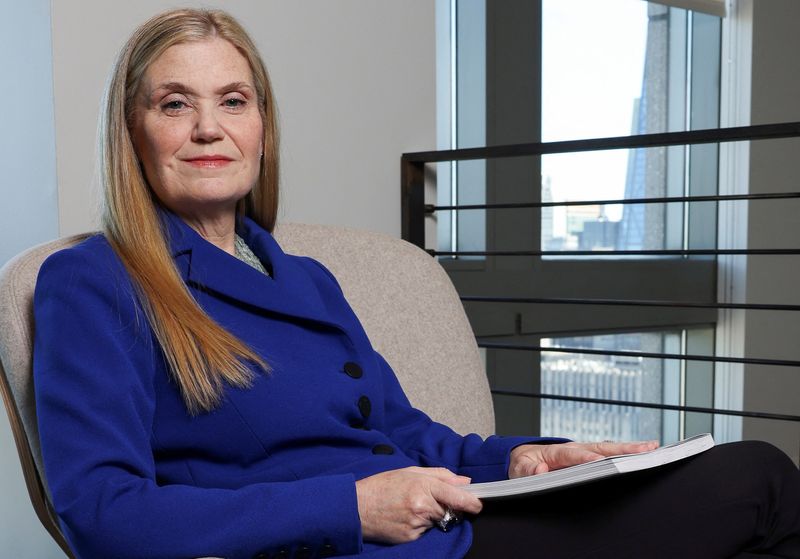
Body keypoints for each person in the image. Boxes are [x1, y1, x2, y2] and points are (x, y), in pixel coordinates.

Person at [32, 8, 799, 559]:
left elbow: (407, 435)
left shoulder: (306, 278)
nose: (209, 128)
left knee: (748, 472)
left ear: (262, 125)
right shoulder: (94, 281)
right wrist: (350, 508)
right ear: (133, 132)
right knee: (758, 482)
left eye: (233, 100)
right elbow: (105, 516)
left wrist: (523, 459)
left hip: (451, 523)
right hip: (355, 546)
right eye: (175, 103)